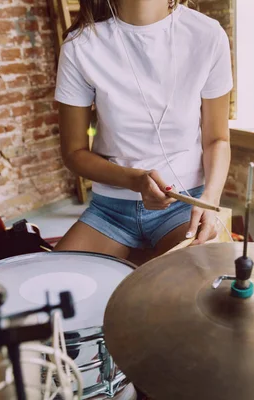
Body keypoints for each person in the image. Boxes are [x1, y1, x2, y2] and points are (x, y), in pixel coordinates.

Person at [53, 0, 232, 263]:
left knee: (188, 291)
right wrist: (136, 181)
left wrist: (210, 200)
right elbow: (74, 153)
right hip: (110, 210)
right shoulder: (80, 46)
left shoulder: (208, 35)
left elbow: (217, 139)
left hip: (185, 204)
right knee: (54, 290)